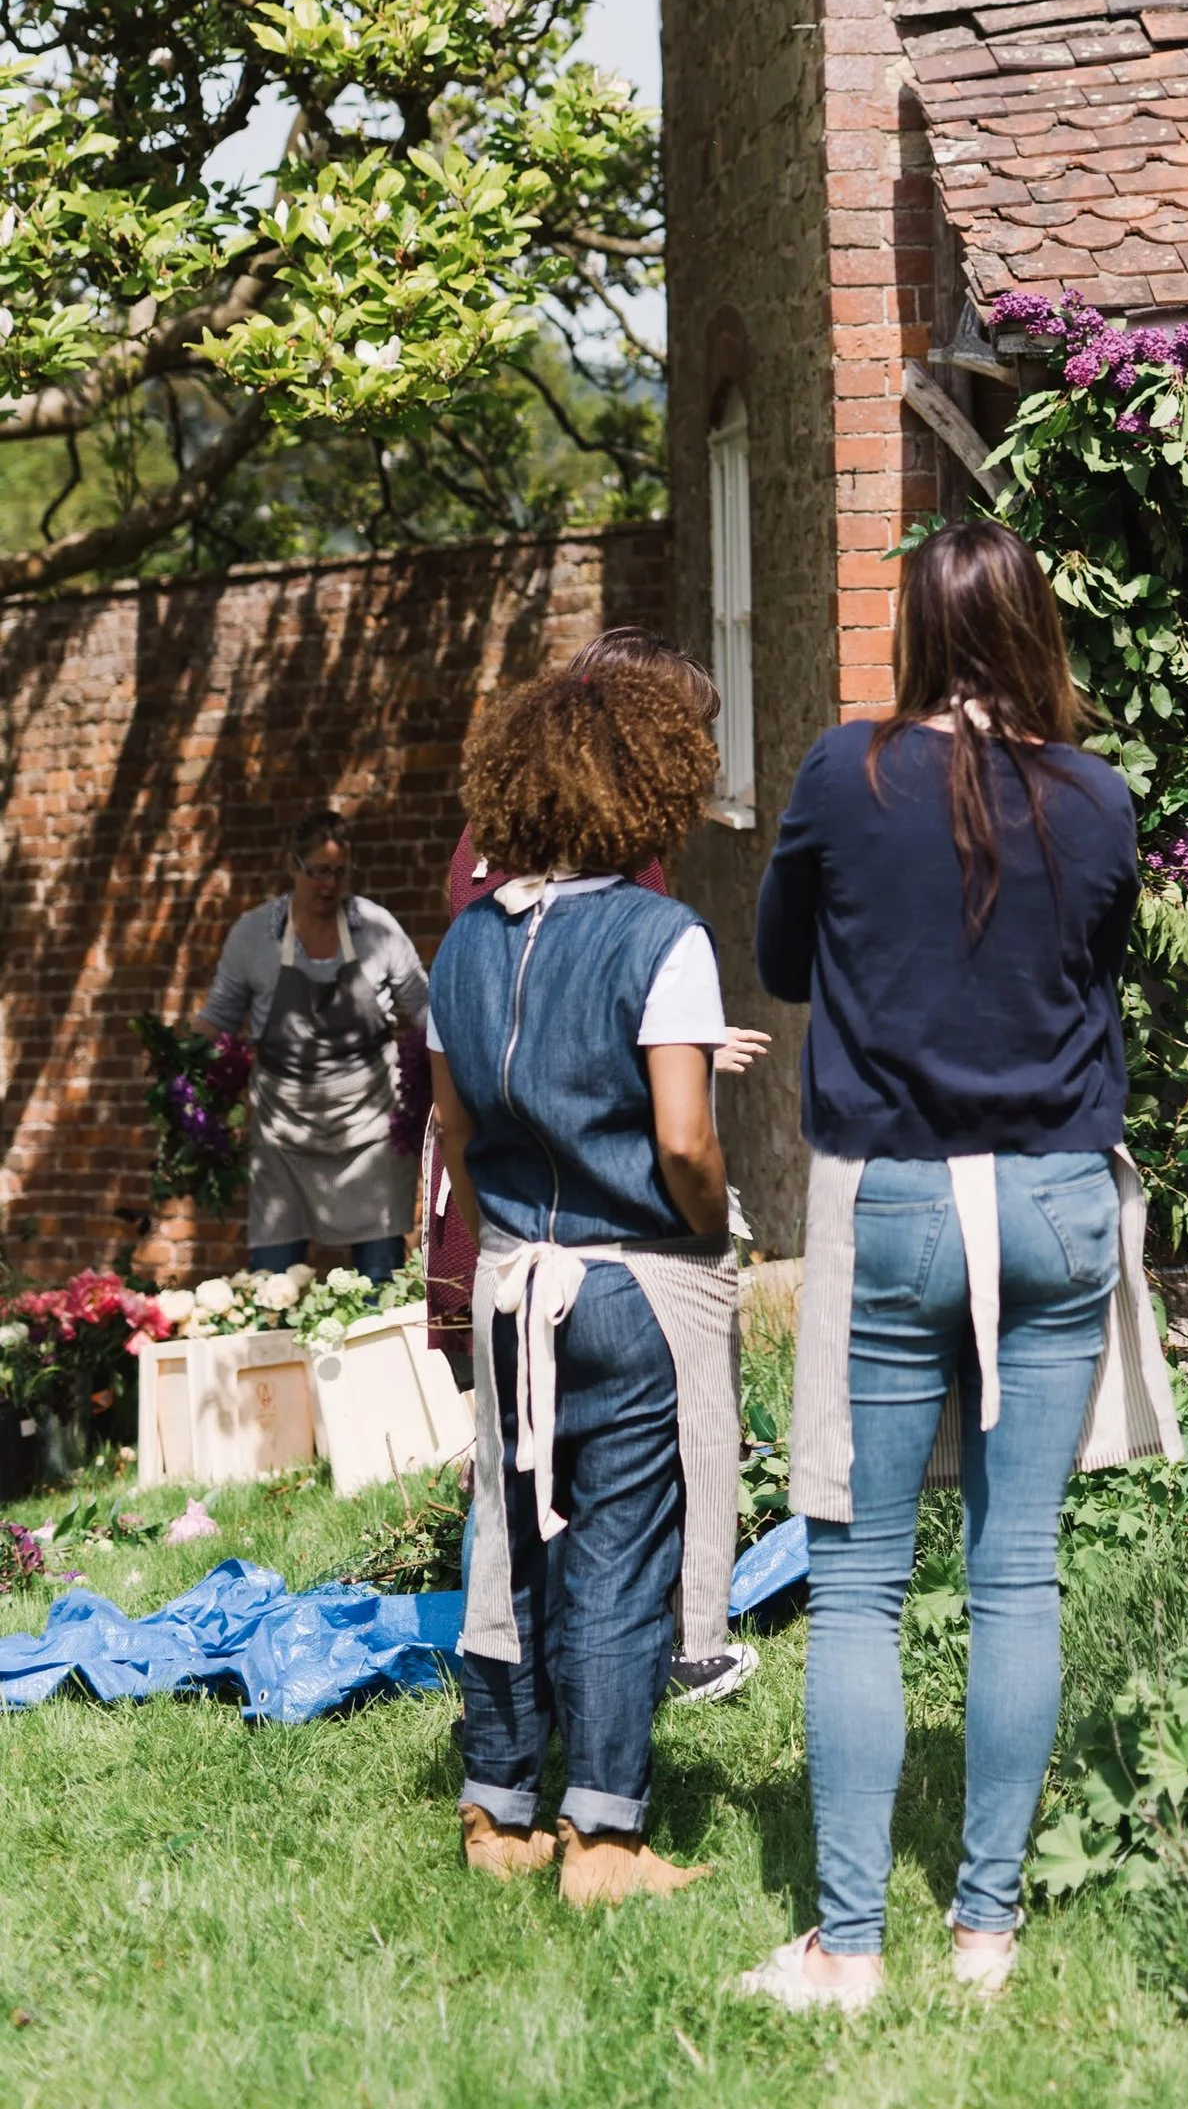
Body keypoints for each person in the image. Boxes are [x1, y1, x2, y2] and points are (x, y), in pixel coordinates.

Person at [740, 522, 1177, 2019]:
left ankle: (848, 1946)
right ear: (1037, 628)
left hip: (898, 1202)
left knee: (858, 1583)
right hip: (1056, 1202)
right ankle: (984, 1934)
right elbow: (1093, 972)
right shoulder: (1103, 799)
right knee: (1017, 1570)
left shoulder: (840, 776)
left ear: (913, 634)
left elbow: (787, 967)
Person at [426, 662, 736, 1903]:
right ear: (651, 785)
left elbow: (451, 1128)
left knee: (504, 1538)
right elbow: (683, 1139)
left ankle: (498, 1811)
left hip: (509, 1282)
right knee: (617, 1547)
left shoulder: (458, 943)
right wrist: (710, 1233)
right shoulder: (665, 938)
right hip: (630, 1284)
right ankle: (605, 1838)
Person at [200, 807, 429, 1279]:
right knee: (271, 1282)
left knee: (379, 1282)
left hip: (372, 1126)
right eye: (319, 872)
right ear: (293, 867)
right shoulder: (253, 935)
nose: (330, 885)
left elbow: (426, 1012)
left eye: (339, 873)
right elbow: (218, 1020)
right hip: (282, 1130)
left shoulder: (377, 930)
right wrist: (179, 1080)